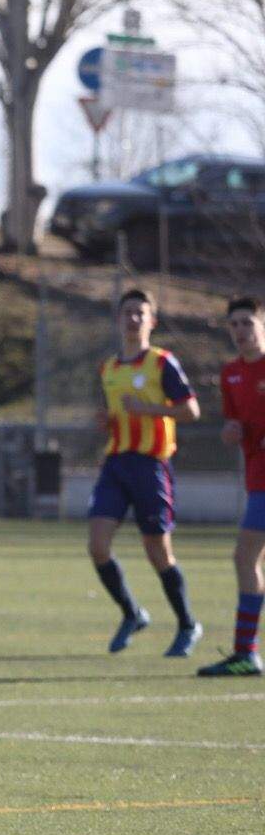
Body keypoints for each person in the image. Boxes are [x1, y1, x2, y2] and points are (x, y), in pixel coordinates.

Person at [85, 288, 203, 657]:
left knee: (158, 552)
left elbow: (191, 411)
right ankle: (132, 612)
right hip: (117, 463)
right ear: (118, 320)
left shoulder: (162, 363)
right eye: (127, 313)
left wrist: (150, 411)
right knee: (97, 546)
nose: (133, 318)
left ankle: (187, 623)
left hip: (151, 465)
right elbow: (116, 416)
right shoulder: (108, 368)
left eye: (140, 313)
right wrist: (106, 422)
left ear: (152, 320)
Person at [200, 295, 265, 676]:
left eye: (248, 322)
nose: (241, 331)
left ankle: (246, 651)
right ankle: (245, 652)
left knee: (245, 556)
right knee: (247, 559)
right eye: (234, 324)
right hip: (256, 477)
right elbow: (235, 426)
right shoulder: (231, 374)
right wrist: (231, 431)